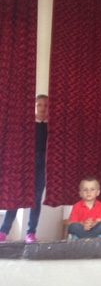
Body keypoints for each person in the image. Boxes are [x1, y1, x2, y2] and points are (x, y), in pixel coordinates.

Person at [0, 95, 48, 244]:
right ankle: (3, 231)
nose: (42, 108)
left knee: (36, 198)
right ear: (34, 106)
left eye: (46, 105)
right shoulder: (27, 124)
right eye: (39, 105)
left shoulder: (51, 126)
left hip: (43, 163)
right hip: (26, 161)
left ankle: (31, 233)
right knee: (16, 195)